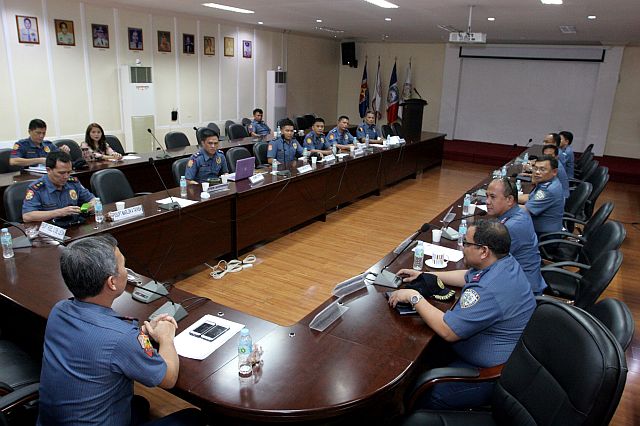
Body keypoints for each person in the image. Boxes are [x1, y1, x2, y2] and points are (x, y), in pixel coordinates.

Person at [37, 235, 204, 425]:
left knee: (138, 404)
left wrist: (139, 336)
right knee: (193, 417)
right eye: (124, 266)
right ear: (112, 282)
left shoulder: (59, 310)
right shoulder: (122, 338)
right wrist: (166, 338)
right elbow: (168, 378)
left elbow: (100, 342)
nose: (127, 271)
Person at [389, 219, 536, 410]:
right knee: (420, 353)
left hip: (490, 374)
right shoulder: (502, 263)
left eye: (467, 244)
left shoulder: (489, 289)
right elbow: (467, 276)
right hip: (496, 354)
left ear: (484, 251)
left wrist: (414, 297)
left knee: (423, 394)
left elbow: (448, 330)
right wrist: (426, 275)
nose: (462, 248)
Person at [485, 178, 546, 295]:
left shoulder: (512, 226)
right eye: (486, 196)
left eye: (493, 197)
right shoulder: (519, 212)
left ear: (509, 200)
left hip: (522, 292)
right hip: (521, 281)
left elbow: (485, 263)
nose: (487, 201)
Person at [22, 151, 96, 222]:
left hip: (73, 226)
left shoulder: (73, 182)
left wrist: (91, 205)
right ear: (48, 170)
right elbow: (27, 216)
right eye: (62, 173)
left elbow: (93, 200)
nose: (66, 176)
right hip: (50, 230)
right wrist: (59, 213)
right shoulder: (37, 188)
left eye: (69, 172)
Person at [518, 155, 565, 236]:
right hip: (538, 228)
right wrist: (507, 197)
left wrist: (502, 203)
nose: (537, 172)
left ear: (554, 172)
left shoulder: (549, 189)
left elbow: (526, 210)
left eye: (542, 169)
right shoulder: (546, 183)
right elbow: (529, 197)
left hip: (544, 235)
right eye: (535, 168)